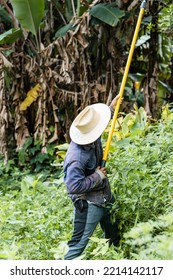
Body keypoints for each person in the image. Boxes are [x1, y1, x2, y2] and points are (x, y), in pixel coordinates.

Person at [63, 94, 120, 260]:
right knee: (77, 246)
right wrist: (97, 176)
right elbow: (73, 187)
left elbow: (98, 127)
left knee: (113, 234)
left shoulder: (91, 136)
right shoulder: (76, 157)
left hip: (105, 196)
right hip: (89, 204)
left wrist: (111, 108)